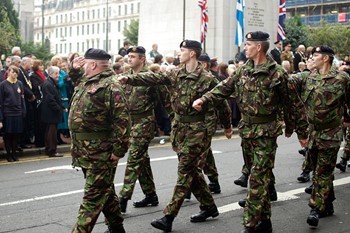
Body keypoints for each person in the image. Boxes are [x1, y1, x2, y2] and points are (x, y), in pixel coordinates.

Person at [192, 31, 307, 233]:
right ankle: (265, 221)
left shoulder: (277, 72)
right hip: (247, 132)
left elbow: (293, 104)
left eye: (248, 44)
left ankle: (250, 223)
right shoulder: (243, 70)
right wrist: (204, 99)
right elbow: (224, 88)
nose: (245, 48)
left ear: (259, 47)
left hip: (266, 132)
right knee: (259, 179)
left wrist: (300, 132)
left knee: (257, 179)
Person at [118, 40, 230, 232]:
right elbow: (153, 78)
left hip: (198, 128)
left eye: (183, 50)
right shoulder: (176, 72)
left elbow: (222, 103)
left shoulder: (206, 78)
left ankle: (169, 216)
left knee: (185, 169)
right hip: (180, 128)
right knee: (193, 171)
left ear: (193, 53)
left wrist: (227, 126)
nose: (179, 53)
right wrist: (129, 79)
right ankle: (209, 206)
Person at [69, 48, 131, 233]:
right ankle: (116, 227)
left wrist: (118, 151)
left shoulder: (111, 86)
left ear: (93, 64)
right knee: (105, 191)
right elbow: (74, 79)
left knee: (92, 199)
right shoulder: (88, 82)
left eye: (86, 63)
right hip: (85, 151)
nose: (83, 67)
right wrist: (73, 68)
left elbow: (122, 121)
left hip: (100, 153)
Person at [290, 46, 350, 228]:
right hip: (313, 132)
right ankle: (328, 203)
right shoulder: (308, 76)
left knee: (321, 172)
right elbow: (286, 81)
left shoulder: (342, 79)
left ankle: (315, 209)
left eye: (315, 55)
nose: (311, 58)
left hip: (331, 133)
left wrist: (348, 119)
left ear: (325, 58)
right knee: (321, 169)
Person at [118, 46, 160, 214]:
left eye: (133, 56)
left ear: (142, 59)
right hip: (129, 123)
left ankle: (123, 198)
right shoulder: (125, 77)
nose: (130, 59)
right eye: (129, 56)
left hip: (144, 122)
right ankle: (151, 194)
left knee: (134, 158)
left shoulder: (151, 78)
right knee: (142, 159)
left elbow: (163, 100)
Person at [0, 65, 26, 162]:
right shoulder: (3, 85)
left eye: (16, 72)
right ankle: (9, 154)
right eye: (12, 72)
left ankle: (14, 153)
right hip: (8, 113)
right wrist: (1, 117)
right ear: (8, 72)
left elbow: (22, 98)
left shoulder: (19, 83)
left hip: (17, 112)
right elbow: (1, 102)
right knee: (8, 135)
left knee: (16, 134)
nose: (14, 74)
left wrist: (23, 110)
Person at [40, 66, 66, 157]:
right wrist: (58, 108)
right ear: (50, 74)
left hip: (51, 112)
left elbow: (56, 97)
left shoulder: (52, 83)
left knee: (50, 132)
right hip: (50, 113)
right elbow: (50, 100)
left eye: (58, 73)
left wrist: (62, 107)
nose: (58, 75)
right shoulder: (48, 84)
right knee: (51, 133)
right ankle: (52, 150)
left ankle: (50, 149)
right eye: (56, 73)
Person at [29, 59, 46, 147]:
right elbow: (36, 87)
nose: (42, 67)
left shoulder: (43, 75)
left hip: (44, 101)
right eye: (40, 65)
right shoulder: (33, 76)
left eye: (42, 65)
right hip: (38, 102)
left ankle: (43, 140)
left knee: (43, 122)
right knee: (38, 122)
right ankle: (39, 142)